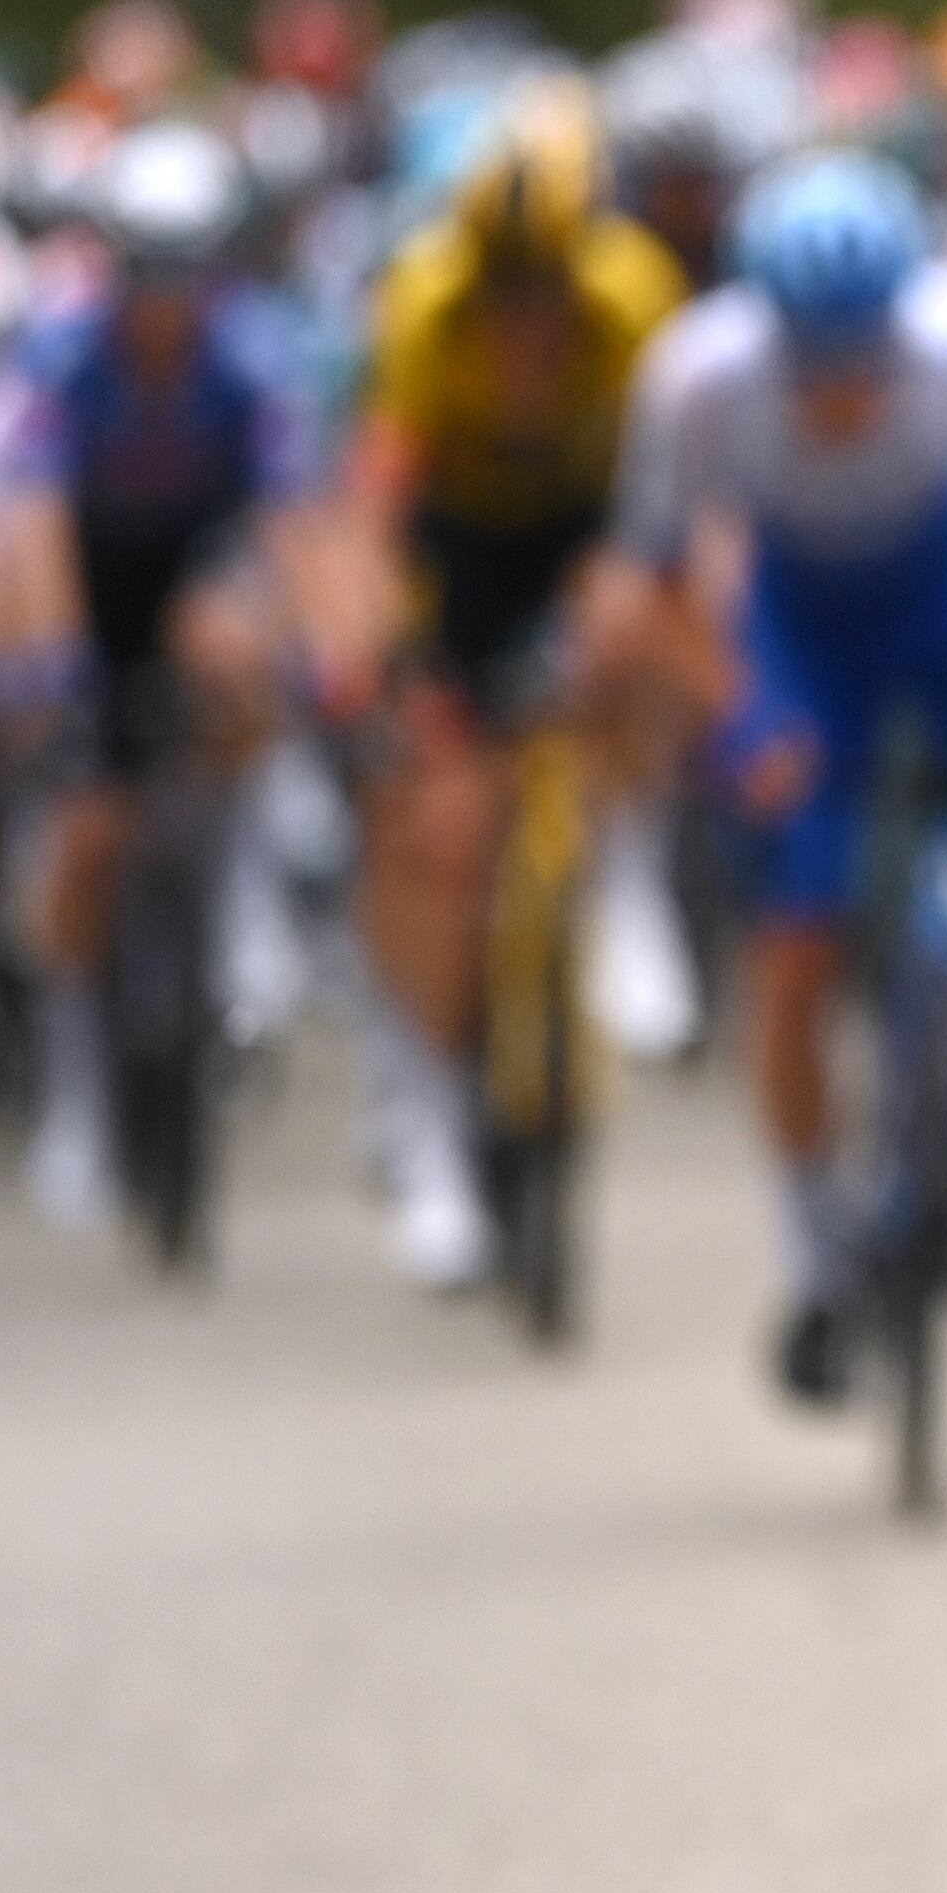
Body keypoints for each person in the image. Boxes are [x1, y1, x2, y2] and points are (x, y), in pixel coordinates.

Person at [584, 148, 947, 1396]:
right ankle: (816, 1257)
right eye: (812, 365)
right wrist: (741, 716)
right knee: (792, 956)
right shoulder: (698, 378)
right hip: (802, 624)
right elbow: (649, 588)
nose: (839, 393)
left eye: (862, 361)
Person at [339, 76, 688, 1285]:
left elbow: (666, 499)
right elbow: (379, 507)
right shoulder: (427, 304)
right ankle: (431, 1132)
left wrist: (628, 621)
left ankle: (632, 868)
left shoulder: (635, 298)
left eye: (546, 292)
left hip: (583, 530)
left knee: (645, 623)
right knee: (441, 830)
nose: (525, 323)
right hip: (464, 544)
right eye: (506, 293)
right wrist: (384, 651)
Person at [0, 121, 330, 1231]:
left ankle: (243, 898)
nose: (165, 299)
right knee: (87, 845)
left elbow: (286, 527)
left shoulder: (255, 352)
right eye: (146, 272)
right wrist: (54, 670)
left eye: (186, 273)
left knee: (231, 646)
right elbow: (37, 529)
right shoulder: (58, 356)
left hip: (199, 573)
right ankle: (76, 1098)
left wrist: (302, 647)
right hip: (91, 583)